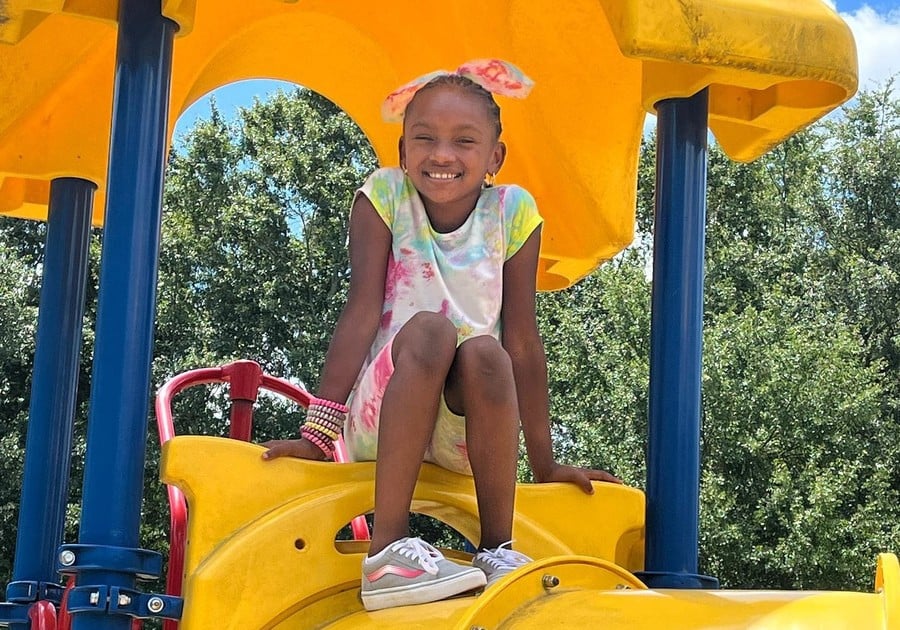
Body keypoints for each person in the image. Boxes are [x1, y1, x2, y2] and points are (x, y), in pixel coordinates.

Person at [261, 59, 621, 612]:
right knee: (431, 332)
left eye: (464, 141)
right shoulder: (384, 196)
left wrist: (546, 465)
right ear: (403, 150)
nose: (442, 155)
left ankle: (498, 548)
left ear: (494, 157)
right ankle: (388, 551)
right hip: (384, 414)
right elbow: (361, 312)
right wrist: (317, 434)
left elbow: (523, 340)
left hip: (465, 431)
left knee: (485, 351)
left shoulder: (513, 211)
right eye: (423, 138)